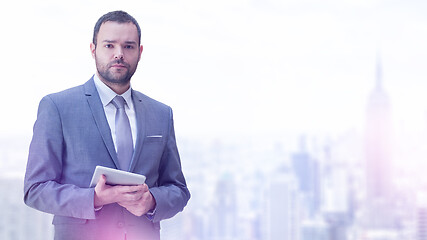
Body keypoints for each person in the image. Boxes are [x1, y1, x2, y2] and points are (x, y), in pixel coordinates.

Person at [24, 10, 190, 240]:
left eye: (129, 46)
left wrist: (151, 201)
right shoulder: (57, 107)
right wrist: (95, 199)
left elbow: (179, 190)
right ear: (93, 50)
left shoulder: (161, 113)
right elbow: (35, 189)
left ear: (140, 52)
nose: (119, 54)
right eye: (109, 46)